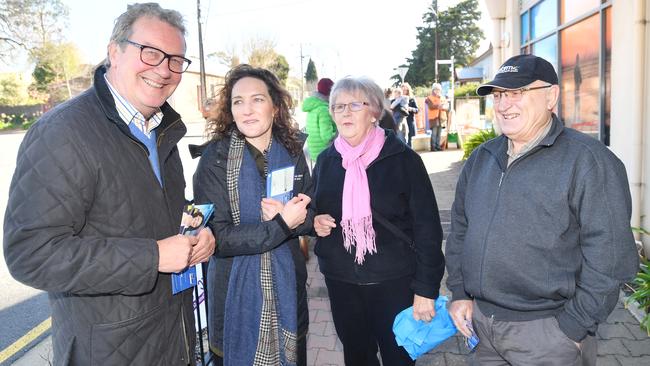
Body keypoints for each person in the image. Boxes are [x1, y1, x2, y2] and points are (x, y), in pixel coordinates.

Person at [2, 3, 216, 365]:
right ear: (114, 51)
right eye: (150, 53)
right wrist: (153, 257)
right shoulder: (63, 132)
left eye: (176, 60)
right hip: (107, 350)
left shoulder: (162, 130)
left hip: (171, 338)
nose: (163, 69)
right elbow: (31, 253)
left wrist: (195, 233)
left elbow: (149, 213)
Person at [445, 54, 639, 365]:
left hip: (547, 336)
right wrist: (459, 293)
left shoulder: (589, 161)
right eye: (498, 95)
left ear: (551, 96)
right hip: (480, 328)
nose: (504, 105)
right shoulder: (482, 158)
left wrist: (572, 328)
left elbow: (612, 258)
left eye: (517, 93)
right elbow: (460, 231)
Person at [311, 76, 445, 365]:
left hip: (394, 283)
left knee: (398, 358)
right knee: (357, 357)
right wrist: (314, 221)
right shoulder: (326, 161)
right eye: (338, 106)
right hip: (342, 282)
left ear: (373, 112)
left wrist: (426, 289)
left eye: (354, 105)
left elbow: (428, 228)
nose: (345, 112)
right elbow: (313, 210)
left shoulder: (403, 159)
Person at [193, 64, 314, 366]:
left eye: (257, 99)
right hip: (233, 295)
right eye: (238, 101)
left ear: (275, 106)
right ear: (230, 110)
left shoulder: (294, 151)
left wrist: (302, 220)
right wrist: (281, 225)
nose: (247, 109)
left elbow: (309, 213)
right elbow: (217, 238)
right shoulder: (214, 159)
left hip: (288, 290)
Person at [303, 77, 336, 162]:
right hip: (325, 153)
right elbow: (327, 137)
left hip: (314, 152)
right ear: (330, 93)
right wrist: (338, 134)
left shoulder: (313, 106)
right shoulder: (323, 110)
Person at [425, 83, 447, 151]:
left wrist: (444, 106)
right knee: (434, 133)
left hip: (441, 118)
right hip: (433, 118)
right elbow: (431, 106)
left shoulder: (442, 97)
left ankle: (438, 146)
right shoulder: (429, 98)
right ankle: (433, 147)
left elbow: (446, 106)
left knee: (439, 133)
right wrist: (439, 105)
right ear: (433, 90)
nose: (437, 91)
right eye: (436, 89)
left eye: (438, 89)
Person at [401, 82, 419, 147]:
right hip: (400, 122)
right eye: (403, 90)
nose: (404, 91)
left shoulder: (411, 99)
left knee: (409, 140)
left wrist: (410, 109)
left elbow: (417, 110)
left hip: (409, 121)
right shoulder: (398, 99)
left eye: (406, 90)